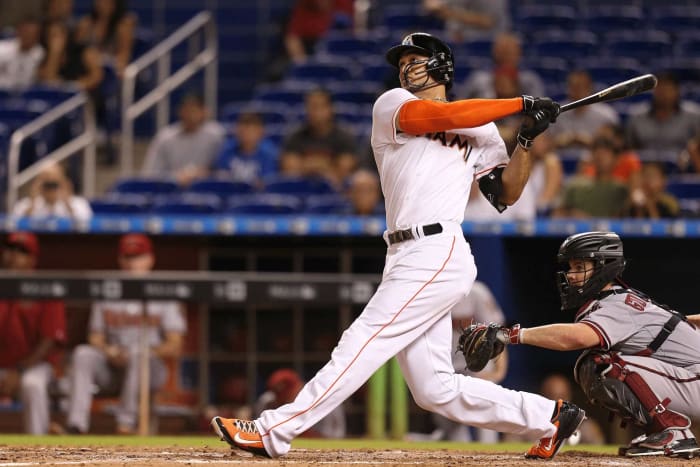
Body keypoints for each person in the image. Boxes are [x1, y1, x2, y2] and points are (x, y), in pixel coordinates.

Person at [211, 32, 584, 460]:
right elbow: (439, 118)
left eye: (417, 59)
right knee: (434, 389)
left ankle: (273, 430)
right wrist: (519, 105)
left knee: (364, 339)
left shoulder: (481, 126)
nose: (407, 67)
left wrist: (525, 139)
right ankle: (547, 417)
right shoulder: (392, 105)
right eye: (403, 60)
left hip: (438, 247)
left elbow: (506, 194)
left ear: (442, 65)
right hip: (404, 251)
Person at [472, 231, 700, 458]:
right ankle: (662, 431)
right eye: (571, 268)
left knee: (602, 364)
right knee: (596, 362)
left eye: (580, 267)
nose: (571, 275)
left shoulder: (616, 303)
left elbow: (576, 338)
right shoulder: (619, 301)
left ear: (604, 267)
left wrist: (510, 335)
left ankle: (673, 432)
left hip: (694, 382)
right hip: (690, 380)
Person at [63, 233, 187, 434]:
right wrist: (109, 351)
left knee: (139, 353)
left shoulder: (164, 293)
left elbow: (175, 344)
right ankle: (76, 425)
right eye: (128, 257)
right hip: (113, 367)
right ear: (120, 260)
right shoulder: (108, 291)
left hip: (150, 369)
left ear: (150, 259)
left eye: (137, 257)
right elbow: (95, 336)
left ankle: (126, 424)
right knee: (83, 353)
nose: (132, 263)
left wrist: (146, 351)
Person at [406, 281, 508, 443]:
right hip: (447, 363)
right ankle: (457, 452)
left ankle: (489, 448)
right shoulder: (430, 293)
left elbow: (497, 333)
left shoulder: (476, 292)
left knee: (485, 406)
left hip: (476, 362)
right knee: (447, 415)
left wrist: (499, 370)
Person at [0, 232, 67, 434]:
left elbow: (49, 340)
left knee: (32, 384)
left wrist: (19, 371)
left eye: (22, 252)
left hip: (35, 367)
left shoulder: (45, 288)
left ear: (32, 259)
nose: (13, 256)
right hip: (3, 366)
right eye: (11, 250)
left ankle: (38, 446)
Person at [142, 93, 226, 187]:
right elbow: (151, 173)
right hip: (171, 191)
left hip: (207, 190)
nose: (190, 115)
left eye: (195, 110)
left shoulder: (217, 135)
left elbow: (224, 172)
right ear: (180, 111)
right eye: (187, 110)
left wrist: (202, 174)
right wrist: (175, 178)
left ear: (205, 111)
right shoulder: (165, 137)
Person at [279, 87, 359, 186]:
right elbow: (290, 171)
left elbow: (344, 172)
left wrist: (306, 165)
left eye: (320, 106)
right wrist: (325, 166)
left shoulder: (344, 138)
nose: (316, 112)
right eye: (312, 106)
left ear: (330, 108)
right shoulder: (295, 137)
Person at [254, 368, 345, 439]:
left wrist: (302, 432)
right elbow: (259, 434)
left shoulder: (324, 398)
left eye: (287, 393)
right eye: (279, 394)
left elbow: (336, 436)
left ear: (298, 387)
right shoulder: (266, 402)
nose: (284, 398)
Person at [625, 72, 700, 157]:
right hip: (644, 167)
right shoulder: (637, 116)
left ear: (677, 91)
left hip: (683, 168)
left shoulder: (693, 116)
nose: (664, 94)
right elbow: (628, 149)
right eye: (660, 89)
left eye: (668, 89)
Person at [552, 137, 628, 218]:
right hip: (579, 230)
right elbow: (557, 214)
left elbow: (626, 218)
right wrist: (570, 213)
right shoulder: (575, 184)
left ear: (616, 159)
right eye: (597, 153)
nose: (600, 157)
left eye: (605, 153)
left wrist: (590, 220)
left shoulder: (621, 189)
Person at [458, 33, 545, 100]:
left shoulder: (530, 81)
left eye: (510, 52)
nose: (505, 56)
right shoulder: (478, 79)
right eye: (502, 52)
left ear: (519, 54)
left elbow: (541, 114)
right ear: (494, 53)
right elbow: (458, 108)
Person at [548, 70, 620, 150]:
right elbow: (543, 145)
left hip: (595, 160)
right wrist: (558, 142)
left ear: (590, 88)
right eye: (573, 87)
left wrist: (592, 142)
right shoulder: (556, 112)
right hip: (558, 160)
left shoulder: (606, 115)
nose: (577, 92)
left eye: (581, 87)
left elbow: (616, 147)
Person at [212, 112, 279, 188]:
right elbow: (220, 177)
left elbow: (268, 183)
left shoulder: (269, 153)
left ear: (260, 132)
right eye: (243, 130)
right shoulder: (226, 150)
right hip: (231, 194)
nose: (246, 134)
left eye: (251, 130)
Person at [11, 162, 93, 223]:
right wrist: (32, 205)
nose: (51, 188)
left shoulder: (79, 204)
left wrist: (68, 205)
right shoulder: (25, 205)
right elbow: (16, 226)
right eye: (47, 184)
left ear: (65, 183)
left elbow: (86, 226)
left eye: (54, 184)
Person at [73, 0, 136, 77]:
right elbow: (76, 50)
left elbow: (124, 56)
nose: (102, 4)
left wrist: (102, 59)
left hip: (109, 71)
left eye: (107, 2)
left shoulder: (123, 26)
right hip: (85, 67)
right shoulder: (85, 23)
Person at [422, 0, 510, 42]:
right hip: (456, 41)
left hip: (488, 42)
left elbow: (487, 21)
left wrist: (451, 13)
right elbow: (431, 4)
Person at [0, 15, 44, 91]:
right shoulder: (2, 49)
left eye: (32, 34)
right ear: (18, 31)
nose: (28, 36)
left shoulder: (39, 53)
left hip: (26, 96)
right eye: (26, 32)